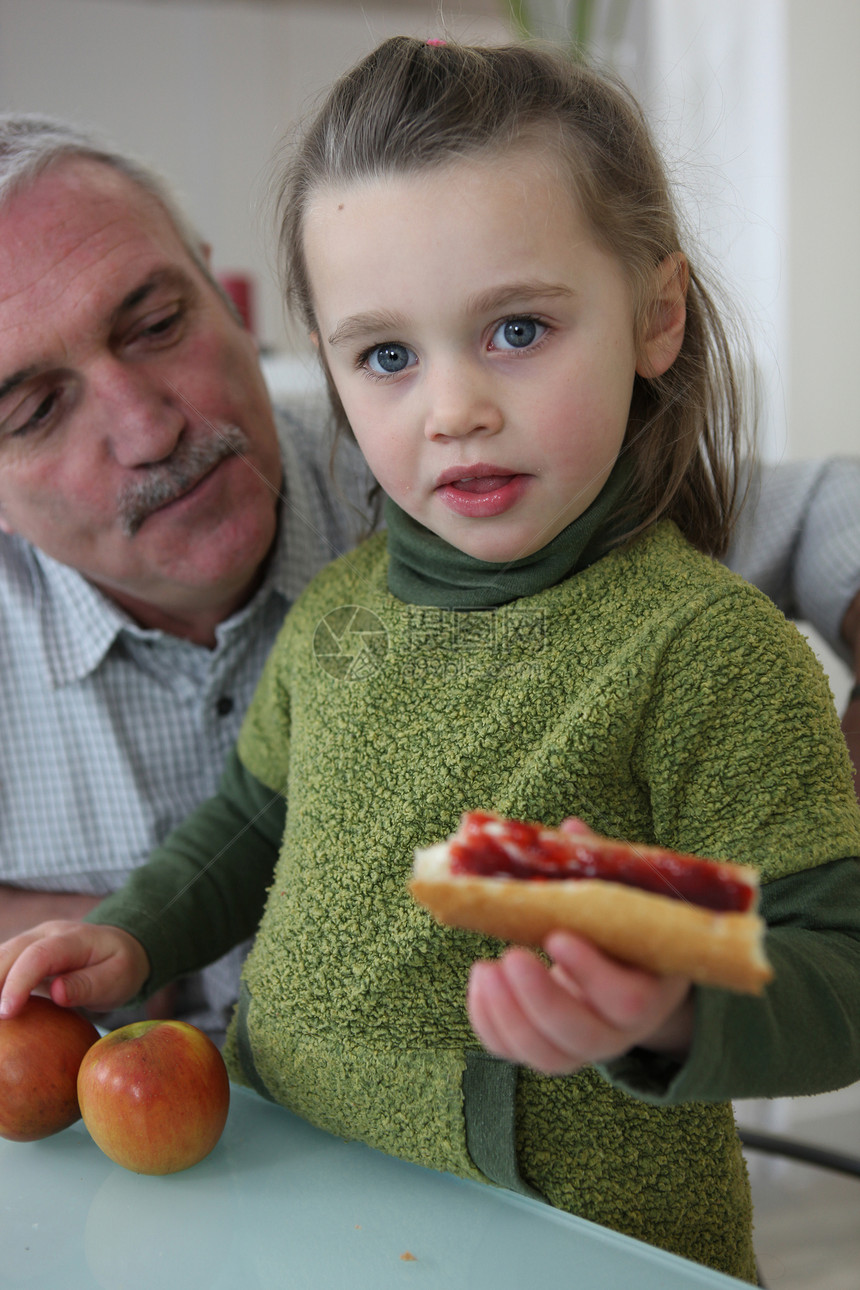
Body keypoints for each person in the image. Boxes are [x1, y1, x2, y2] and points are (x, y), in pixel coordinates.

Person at [2, 38, 859, 1278]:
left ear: (654, 317)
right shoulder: (343, 608)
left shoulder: (706, 651)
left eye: (517, 328)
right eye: (387, 357)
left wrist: (675, 1011)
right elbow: (254, 816)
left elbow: (831, 964)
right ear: (333, 369)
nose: (452, 407)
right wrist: (137, 936)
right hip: (285, 1186)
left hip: (555, 1236)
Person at [0, 115, 371, 1038]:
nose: (147, 430)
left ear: (225, 294)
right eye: (39, 410)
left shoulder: (440, 480)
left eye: (159, 325)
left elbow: (793, 514)